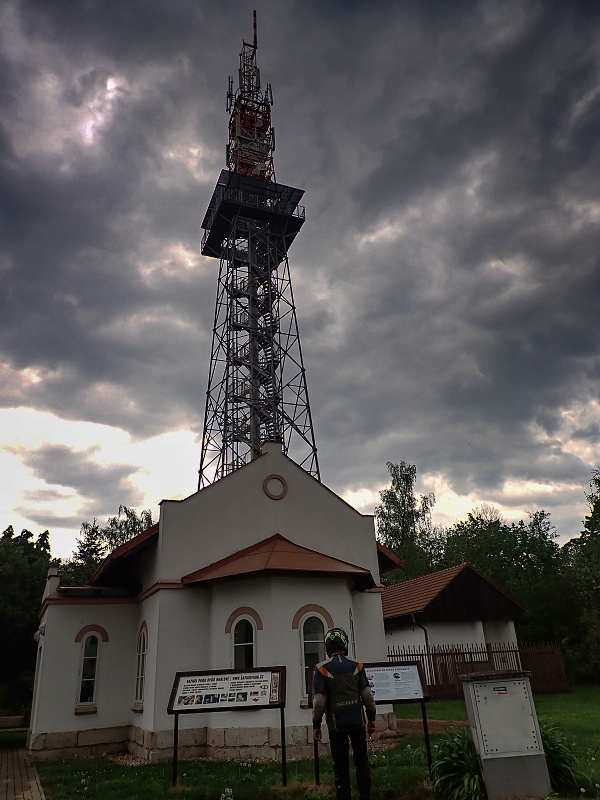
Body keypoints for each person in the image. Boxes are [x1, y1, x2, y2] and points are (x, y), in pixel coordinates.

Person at [312, 627, 377, 800]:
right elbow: (368, 696)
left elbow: (319, 701)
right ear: (345, 643)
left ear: (327, 646)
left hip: (336, 725)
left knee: (341, 766)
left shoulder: (321, 669)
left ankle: (344, 795)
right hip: (357, 722)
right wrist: (372, 719)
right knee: (361, 761)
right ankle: (365, 796)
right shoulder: (357, 666)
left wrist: (316, 725)